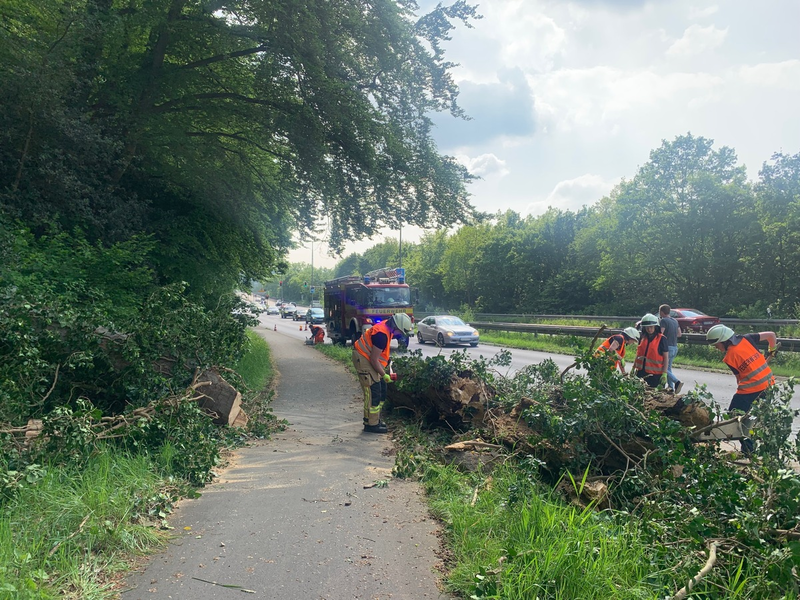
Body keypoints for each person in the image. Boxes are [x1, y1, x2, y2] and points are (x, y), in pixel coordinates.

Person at [706, 324, 777, 456]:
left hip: (750, 390)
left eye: (717, 345)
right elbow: (771, 335)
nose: (717, 348)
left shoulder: (729, 357)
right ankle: (767, 450)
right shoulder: (748, 338)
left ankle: (749, 451)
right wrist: (772, 350)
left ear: (724, 340)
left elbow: (739, 379)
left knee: (735, 418)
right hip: (769, 384)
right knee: (758, 418)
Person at [351, 313, 414, 433]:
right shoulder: (381, 335)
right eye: (400, 332)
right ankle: (370, 424)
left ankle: (375, 419)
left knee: (382, 390)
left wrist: (386, 363)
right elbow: (374, 359)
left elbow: (379, 355)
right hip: (363, 358)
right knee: (373, 391)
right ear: (396, 327)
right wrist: (384, 375)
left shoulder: (387, 328)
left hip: (369, 358)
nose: (400, 335)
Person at [633, 313, 669, 388]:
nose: (649, 329)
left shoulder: (662, 339)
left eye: (651, 327)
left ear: (656, 327)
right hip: (641, 372)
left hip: (655, 375)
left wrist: (664, 373)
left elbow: (666, 357)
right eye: (647, 327)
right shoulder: (642, 338)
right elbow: (638, 354)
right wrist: (633, 367)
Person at [658, 304, 683, 393]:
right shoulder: (675, 321)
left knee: (663, 367)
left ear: (661, 312)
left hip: (667, 348)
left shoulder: (663, 321)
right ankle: (670, 387)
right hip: (674, 347)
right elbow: (679, 334)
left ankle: (676, 382)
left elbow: (660, 333)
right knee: (668, 367)